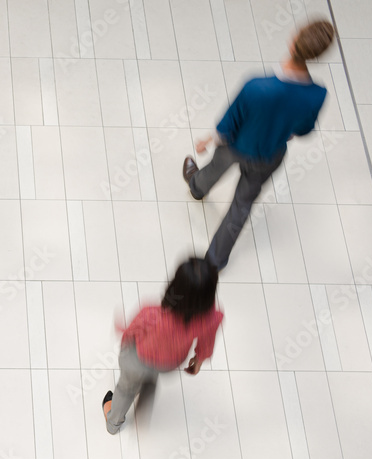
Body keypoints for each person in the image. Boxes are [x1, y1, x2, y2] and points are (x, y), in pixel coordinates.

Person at [182, 19, 335, 270]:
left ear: (293, 39)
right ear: (317, 55)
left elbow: (228, 124)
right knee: (242, 205)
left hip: (235, 146)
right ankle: (215, 260)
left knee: (214, 168)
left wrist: (209, 140)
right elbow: (304, 130)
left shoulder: (256, 86)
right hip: (270, 155)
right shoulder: (318, 94)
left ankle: (197, 187)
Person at [103, 258, 223, 434]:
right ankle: (146, 395)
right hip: (169, 363)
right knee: (151, 377)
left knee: (125, 388)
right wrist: (198, 360)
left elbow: (131, 332)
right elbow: (207, 343)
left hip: (137, 360)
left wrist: (122, 333)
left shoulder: (151, 313)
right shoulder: (212, 319)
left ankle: (113, 423)